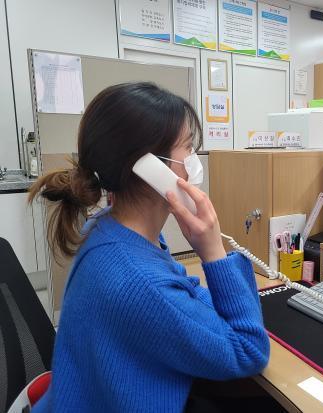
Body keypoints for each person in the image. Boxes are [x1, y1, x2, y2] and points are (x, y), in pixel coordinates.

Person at [29, 82, 270, 412]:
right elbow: (249, 350)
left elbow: (185, 297)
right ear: (150, 169)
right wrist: (213, 251)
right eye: (188, 148)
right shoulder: (140, 281)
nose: (195, 160)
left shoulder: (108, 228)